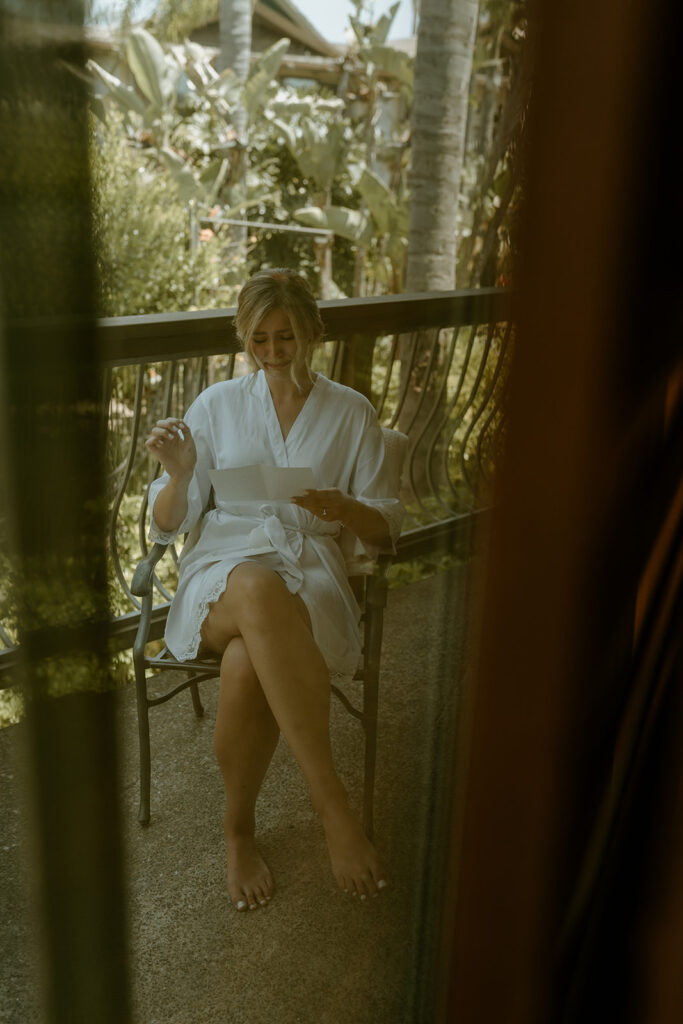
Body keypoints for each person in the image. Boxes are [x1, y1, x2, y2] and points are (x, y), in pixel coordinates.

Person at [145, 268, 404, 912]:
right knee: (255, 588)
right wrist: (179, 476)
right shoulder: (216, 405)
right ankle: (332, 805)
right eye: (257, 339)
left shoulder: (351, 411)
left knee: (243, 666)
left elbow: (386, 531)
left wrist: (344, 506)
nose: (271, 352)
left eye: (285, 337)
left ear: (312, 330)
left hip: (309, 574)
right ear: (244, 337)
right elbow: (169, 521)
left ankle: (238, 832)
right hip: (219, 577)